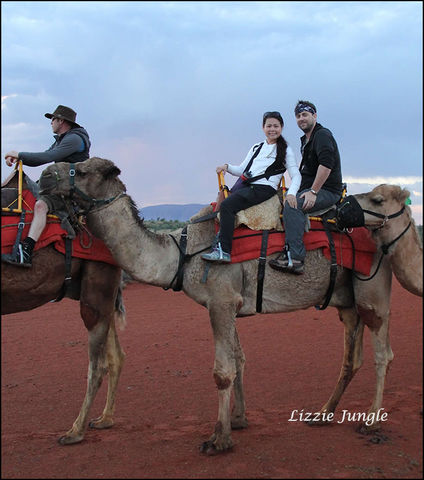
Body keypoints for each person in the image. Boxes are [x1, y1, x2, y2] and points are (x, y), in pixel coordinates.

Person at [201, 111, 301, 264]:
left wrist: (292, 194)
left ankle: (224, 251)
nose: (272, 129)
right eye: (269, 126)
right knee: (223, 200)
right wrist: (226, 167)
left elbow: (296, 176)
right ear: (263, 128)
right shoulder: (257, 147)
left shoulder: (286, 150)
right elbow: (241, 169)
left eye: (276, 126)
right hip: (248, 186)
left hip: (263, 189)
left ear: (281, 127)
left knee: (227, 206)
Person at [2, 105, 91, 267]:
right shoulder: (63, 139)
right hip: (59, 187)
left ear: (61, 120)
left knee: (41, 206)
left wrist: (19, 154)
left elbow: (47, 157)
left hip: (70, 192)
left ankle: (26, 250)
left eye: (53, 119)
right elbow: (43, 157)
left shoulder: (74, 139)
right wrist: (18, 158)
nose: (51, 123)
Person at [269, 100, 343, 274]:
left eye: (305, 115)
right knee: (285, 199)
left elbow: (326, 166)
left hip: (327, 190)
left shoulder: (322, 135)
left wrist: (313, 192)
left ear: (314, 116)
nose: (301, 118)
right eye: (298, 116)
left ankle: (295, 258)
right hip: (311, 187)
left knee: (293, 206)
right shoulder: (306, 140)